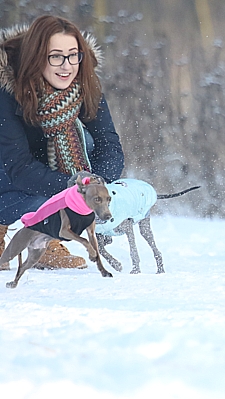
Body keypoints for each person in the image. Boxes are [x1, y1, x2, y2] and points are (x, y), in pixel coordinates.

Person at [0, 15, 124, 270]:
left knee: (85, 140)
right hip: (9, 178)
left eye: (73, 55)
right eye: (55, 56)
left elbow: (109, 145)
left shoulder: (84, 85)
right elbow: (17, 166)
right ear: (37, 57)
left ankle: (47, 227)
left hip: (48, 182)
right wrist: (72, 189)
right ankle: (37, 230)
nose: (66, 66)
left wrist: (94, 184)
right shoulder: (6, 93)